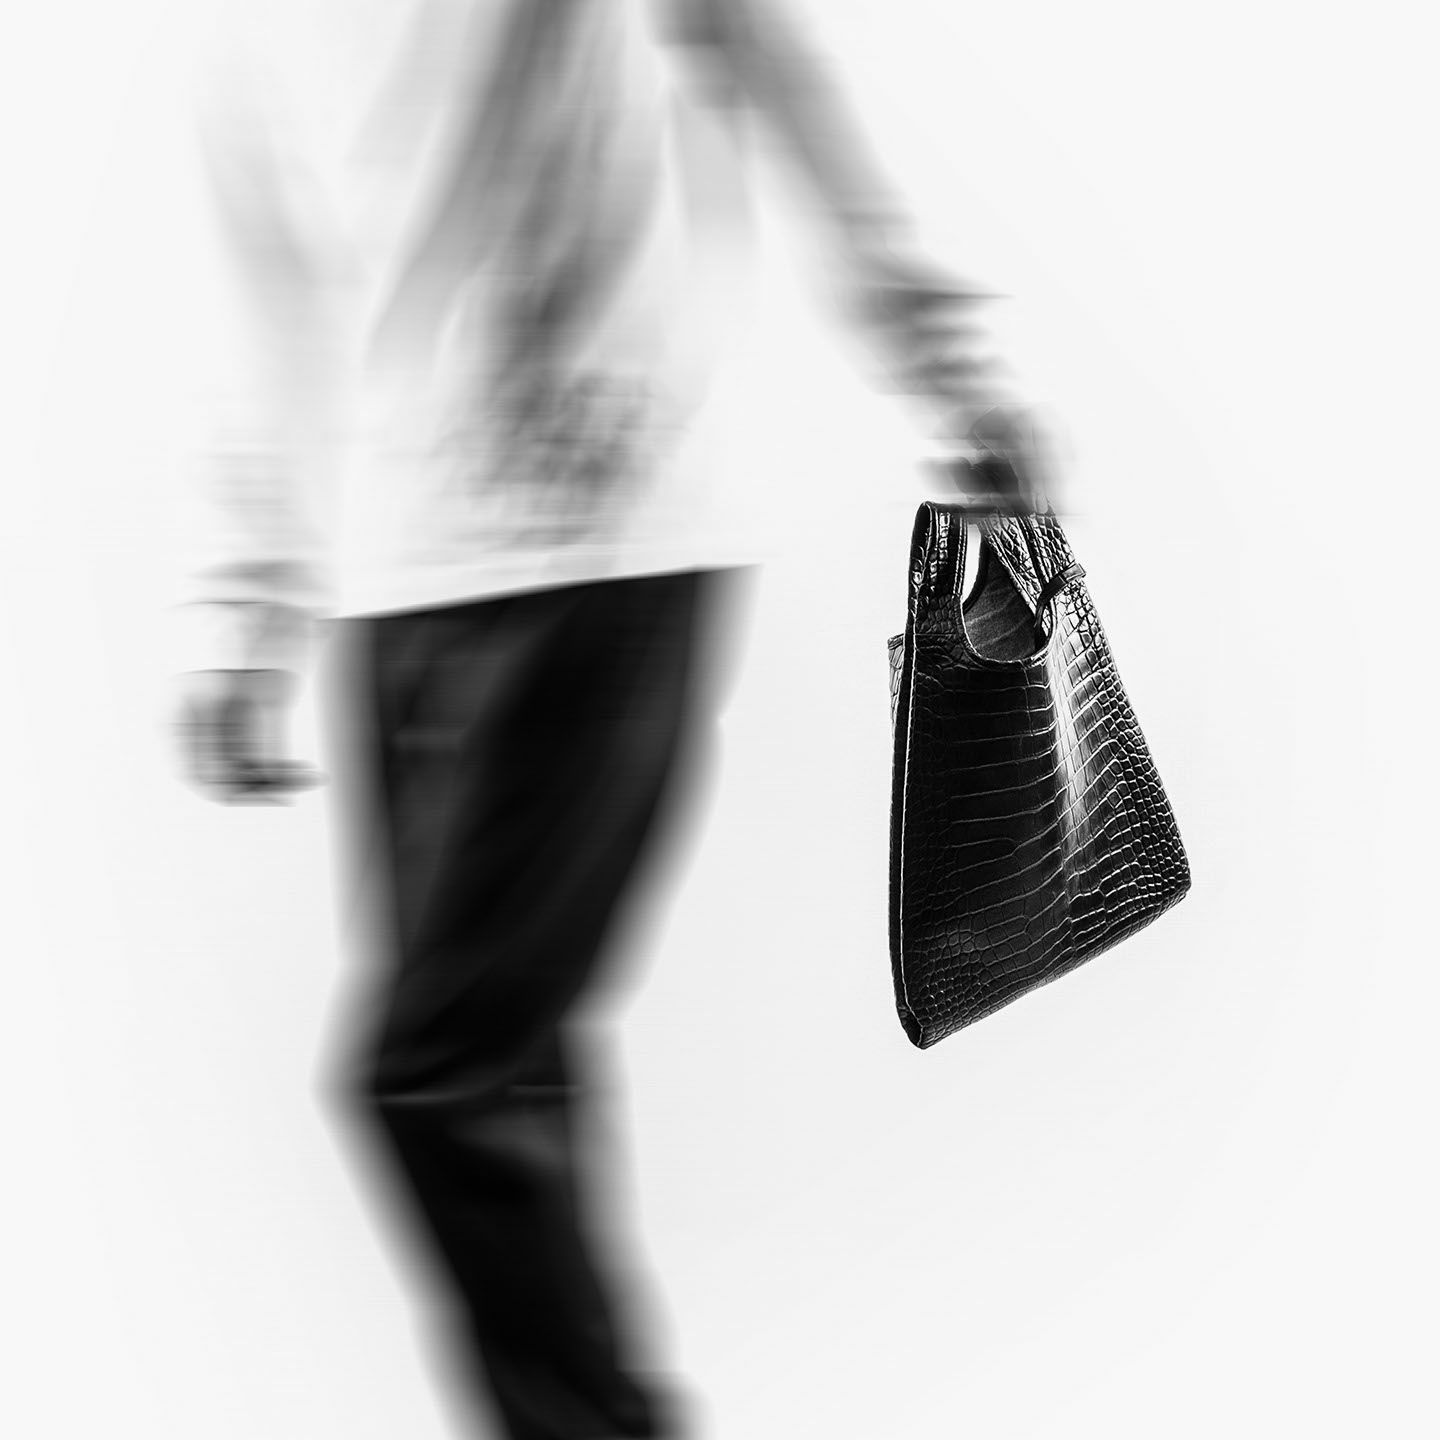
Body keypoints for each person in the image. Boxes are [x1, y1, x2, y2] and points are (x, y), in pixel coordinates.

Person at [171, 1, 1039, 1435]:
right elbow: (260, 282)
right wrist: (245, 602)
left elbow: (784, 75)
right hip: (397, 572)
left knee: (437, 1073)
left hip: (611, 536)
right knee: (501, 1065)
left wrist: (957, 379)